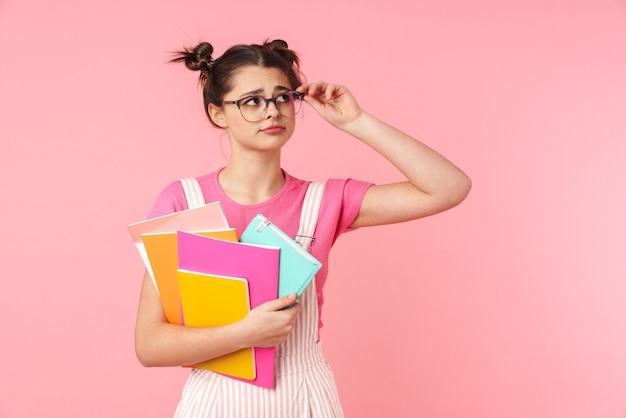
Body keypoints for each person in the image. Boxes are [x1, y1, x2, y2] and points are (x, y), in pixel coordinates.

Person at [134, 39, 471, 418]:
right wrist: (242, 335)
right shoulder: (185, 201)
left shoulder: (324, 201)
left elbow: (449, 187)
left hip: (305, 398)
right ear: (218, 113)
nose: (271, 111)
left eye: (282, 97)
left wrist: (356, 122)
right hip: (214, 400)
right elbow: (149, 345)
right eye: (252, 101)